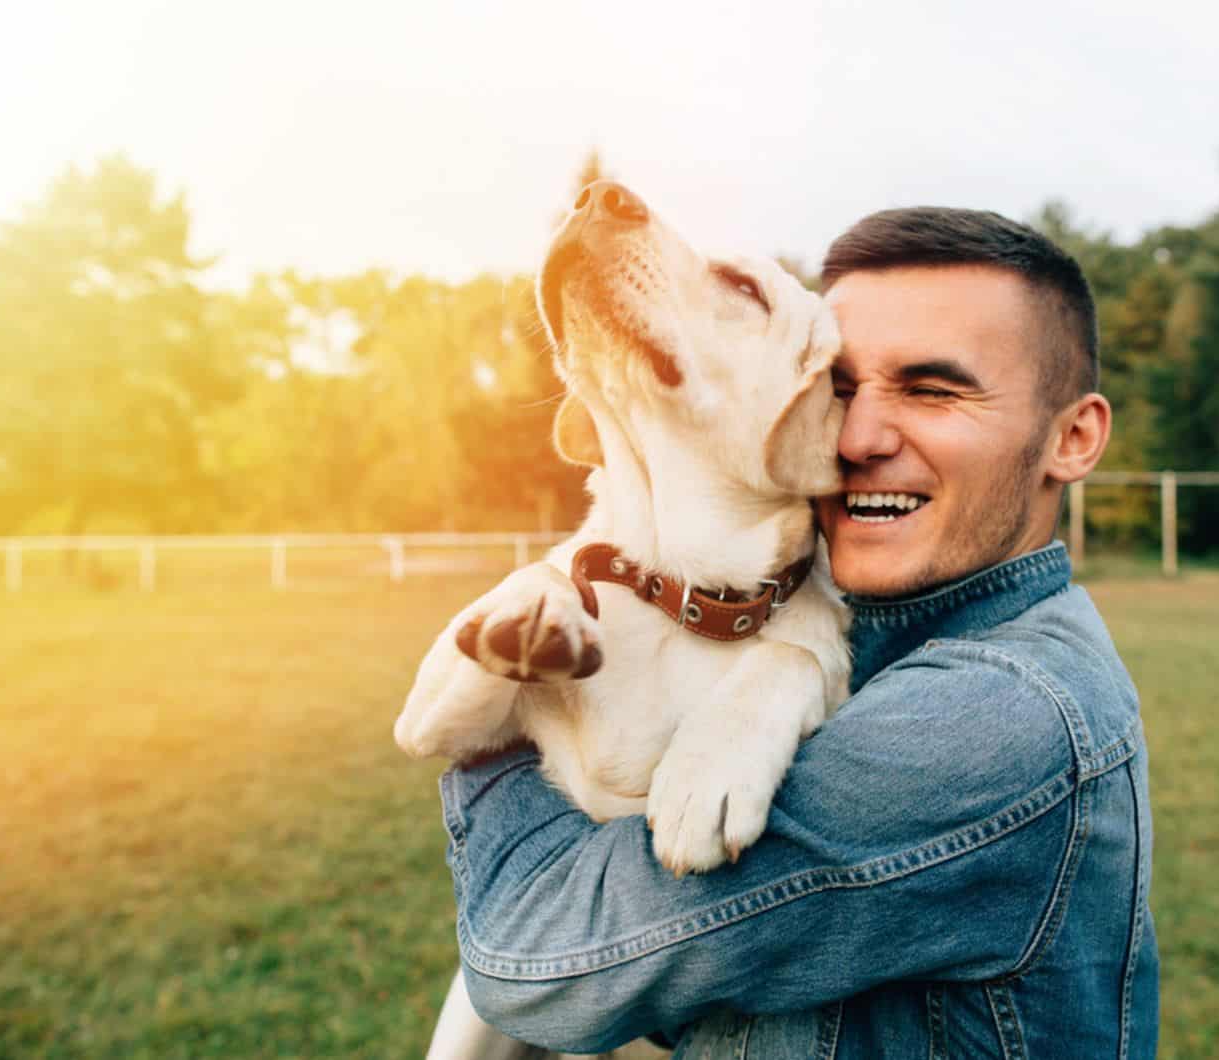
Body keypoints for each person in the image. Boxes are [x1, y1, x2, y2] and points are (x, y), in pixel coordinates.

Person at [432, 207, 1159, 1058]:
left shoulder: (1001, 717)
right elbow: (682, 1001)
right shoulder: (845, 631)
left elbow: (544, 960)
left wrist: (498, 705)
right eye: (842, 387)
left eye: (932, 390)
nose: (854, 437)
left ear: (1073, 438)